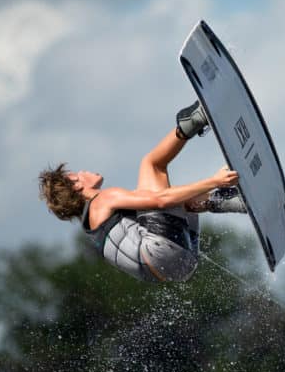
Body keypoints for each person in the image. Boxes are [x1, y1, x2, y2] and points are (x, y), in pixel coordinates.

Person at [38, 103, 247, 283]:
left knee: (172, 197)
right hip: (162, 249)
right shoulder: (103, 200)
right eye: (77, 173)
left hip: (179, 265)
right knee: (151, 166)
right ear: (76, 184)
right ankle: (194, 119)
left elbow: (165, 200)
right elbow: (160, 201)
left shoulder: (93, 226)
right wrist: (213, 181)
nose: (83, 171)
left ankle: (226, 201)